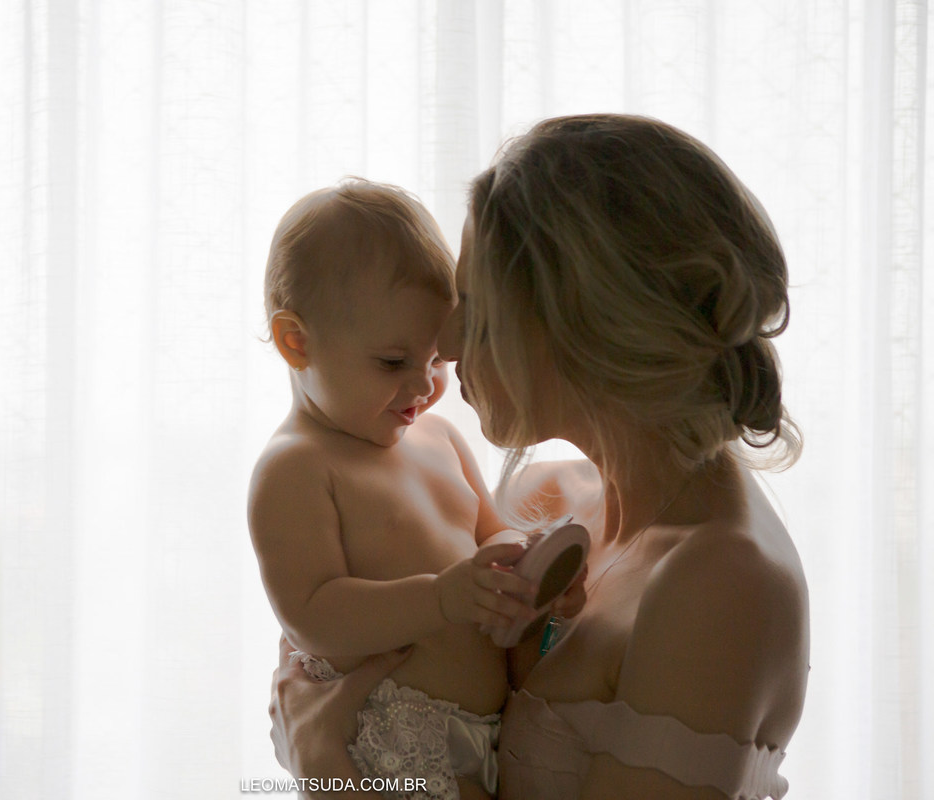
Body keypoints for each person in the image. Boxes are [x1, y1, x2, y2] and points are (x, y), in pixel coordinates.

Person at [268, 115, 810, 800]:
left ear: (581, 324)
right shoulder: (544, 501)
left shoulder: (721, 586)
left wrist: (323, 765)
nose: (447, 345)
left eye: (475, 307)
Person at [249, 179, 585, 800]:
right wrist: (440, 599)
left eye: (436, 361)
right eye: (392, 362)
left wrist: (529, 573)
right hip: (386, 743)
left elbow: (490, 535)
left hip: (486, 737)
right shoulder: (297, 468)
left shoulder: (440, 438)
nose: (425, 385)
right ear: (297, 342)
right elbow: (313, 615)